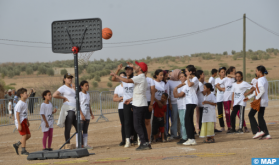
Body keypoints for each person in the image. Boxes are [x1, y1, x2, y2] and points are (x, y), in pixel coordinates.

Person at [110, 61, 151, 151]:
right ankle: (146, 142)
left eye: (137, 66)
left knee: (137, 125)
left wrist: (116, 75)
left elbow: (128, 80)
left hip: (139, 104)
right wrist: (131, 99)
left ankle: (144, 143)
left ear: (140, 69)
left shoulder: (140, 77)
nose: (135, 67)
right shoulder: (142, 77)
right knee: (141, 125)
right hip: (140, 102)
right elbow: (138, 92)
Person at [111, 64, 135, 148]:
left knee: (135, 122)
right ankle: (127, 140)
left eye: (129, 69)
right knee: (127, 122)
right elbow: (113, 79)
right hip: (126, 104)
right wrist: (117, 70)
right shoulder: (123, 80)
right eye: (126, 69)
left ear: (132, 70)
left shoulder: (135, 79)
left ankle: (136, 139)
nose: (127, 71)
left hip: (134, 102)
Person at [174, 65, 199, 145]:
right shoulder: (189, 80)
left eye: (186, 71)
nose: (185, 73)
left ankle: (191, 138)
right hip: (188, 102)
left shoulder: (195, 79)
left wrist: (188, 77)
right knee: (188, 120)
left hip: (192, 101)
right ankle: (191, 138)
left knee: (187, 119)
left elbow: (189, 84)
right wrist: (177, 87)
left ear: (190, 72)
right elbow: (183, 84)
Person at [54, 73, 82, 145]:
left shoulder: (73, 87)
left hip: (75, 109)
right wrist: (63, 98)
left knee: (78, 127)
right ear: (64, 79)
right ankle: (68, 144)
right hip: (69, 109)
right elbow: (54, 95)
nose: (70, 79)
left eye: (71, 78)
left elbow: (78, 95)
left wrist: (75, 88)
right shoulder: (63, 87)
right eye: (68, 78)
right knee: (68, 127)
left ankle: (81, 144)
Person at [245, 65, 271, 139]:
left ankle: (258, 131)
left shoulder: (259, 80)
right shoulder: (264, 79)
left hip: (260, 101)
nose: (255, 72)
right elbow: (257, 91)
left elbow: (261, 91)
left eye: (256, 71)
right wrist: (249, 97)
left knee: (251, 115)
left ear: (259, 72)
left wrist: (256, 99)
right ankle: (266, 134)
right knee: (260, 117)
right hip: (264, 100)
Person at [76, 80, 94, 149]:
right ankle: (79, 144)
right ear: (82, 87)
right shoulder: (79, 94)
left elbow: (88, 104)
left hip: (87, 114)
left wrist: (91, 113)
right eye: (86, 85)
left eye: (88, 85)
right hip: (81, 114)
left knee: (85, 129)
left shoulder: (88, 94)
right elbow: (78, 105)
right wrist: (81, 115)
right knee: (80, 130)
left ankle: (85, 144)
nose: (87, 87)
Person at [12, 88, 31, 155]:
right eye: (25, 93)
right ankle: (23, 150)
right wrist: (19, 124)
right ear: (21, 95)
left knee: (28, 135)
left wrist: (27, 121)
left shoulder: (25, 102)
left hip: (24, 120)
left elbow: (25, 113)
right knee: (24, 135)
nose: (27, 94)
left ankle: (17, 144)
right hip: (20, 121)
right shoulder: (19, 104)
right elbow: (17, 114)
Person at [152, 69, 169, 140]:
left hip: (161, 106)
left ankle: (161, 136)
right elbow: (151, 94)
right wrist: (157, 101)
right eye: (160, 75)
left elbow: (165, 94)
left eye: (163, 75)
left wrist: (164, 102)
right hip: (154, 104)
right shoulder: (153, 82)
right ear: (156, 75)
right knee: (154, 121)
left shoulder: (163, 83)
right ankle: (153, 136)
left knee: (161, 121)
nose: (162, 76)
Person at [173, 71, 188, 145]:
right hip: (180, 105)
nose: (181, 78)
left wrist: (176, 90)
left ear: (185, 77)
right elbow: (175, 95)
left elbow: (180, 94)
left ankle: (185, 137)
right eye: (180, 77)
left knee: (184, 122)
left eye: (183, 76)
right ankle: (184, 136)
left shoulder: (185, 85)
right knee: (182, 122)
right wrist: (176, 90)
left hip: (184, 105)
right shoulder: (180, 85)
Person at [166, 69, 181, 140]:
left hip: (181, 103)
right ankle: (174, 134)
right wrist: (170, 104)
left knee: (181, 119)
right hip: (173, 102)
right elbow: (168, 94)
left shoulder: (181, 81)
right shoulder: (169, 82)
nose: (180, 75)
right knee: (174, 119)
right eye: (179, 74)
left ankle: (181, 133)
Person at [113, 72, 126, 146]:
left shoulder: (129, 86)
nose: (122, 78)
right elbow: (114, 99)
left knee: (130, 123)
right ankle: (123, 140)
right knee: (123, 124)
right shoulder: (117, 88)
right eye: (120, 77)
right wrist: (121, 98)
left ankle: (131, 138)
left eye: (123, 76)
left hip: (129, 106)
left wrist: (120, 99)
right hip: (121, 107)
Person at [145, 71, 155, 143]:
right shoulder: (136, 79)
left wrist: (151, 104)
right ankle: (141, 139)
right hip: (139, 102)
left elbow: (153, 92)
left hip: (148, 102)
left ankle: (148, 139)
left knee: (147, 121)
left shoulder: (150, 80)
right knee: (140, 122)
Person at [215, 67, 226, 131]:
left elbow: (227, 88)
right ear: (219, 73)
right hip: (219, 98)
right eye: (222, 72)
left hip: (226, 98)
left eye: (224, 72)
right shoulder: (217, 79)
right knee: (220, 112)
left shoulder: (227, 79)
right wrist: (223, 88)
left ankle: (230, 126)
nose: (223, 73)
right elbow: (218, 88)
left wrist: (219, 87)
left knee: (227, 112)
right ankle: (222, 126)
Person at [196, 70, 206, 134]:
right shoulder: (200, 83)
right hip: (201, 102)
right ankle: (200, 130)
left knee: (202, 116)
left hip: (201, 101)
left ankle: (201, 130)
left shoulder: (200, 83)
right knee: (202, 117)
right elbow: (204, 93)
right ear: (200, 75)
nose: (204, 75)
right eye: (203, 74)